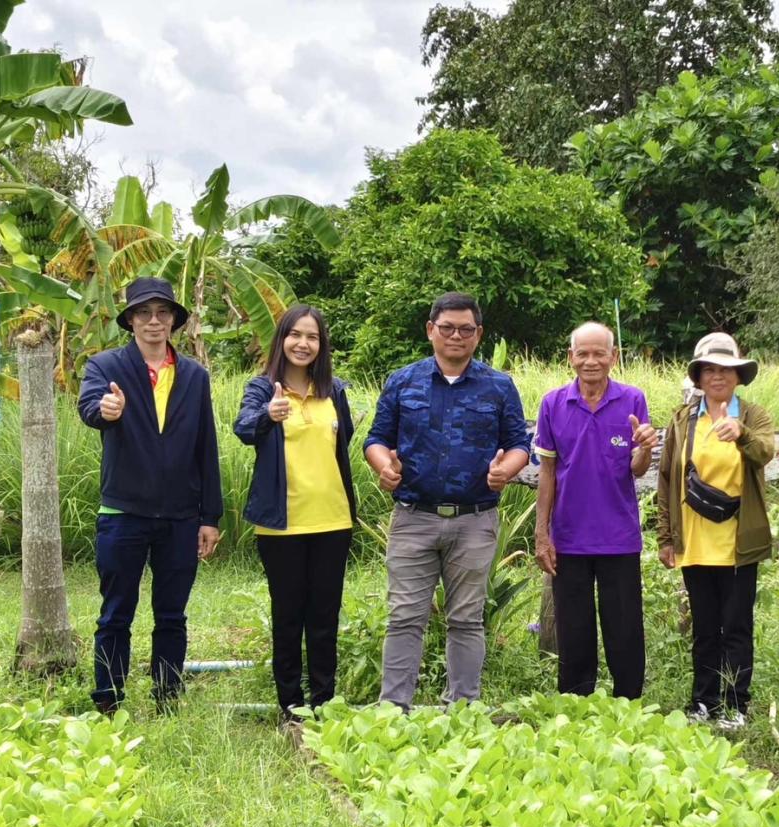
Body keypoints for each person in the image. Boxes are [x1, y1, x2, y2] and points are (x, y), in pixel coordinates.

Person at [364, 292, 530, 709]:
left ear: (479, 335)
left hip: (475, 518)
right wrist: (383, 466)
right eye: (447, 328)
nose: (456, 336)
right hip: (413, 517)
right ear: (430, 330)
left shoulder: (498, 385)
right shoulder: (403, 381)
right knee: (404, 617)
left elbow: (518, 444)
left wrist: (505, 471)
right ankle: (392, 709)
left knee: (467, 619)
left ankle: (463, 707)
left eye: (466, 329)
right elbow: (377, 439)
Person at [77, 277, 222, 713]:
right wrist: (107, 410)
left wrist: (209, 516)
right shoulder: (106, 367)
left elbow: (206, 446)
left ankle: (168, 697)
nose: (153, 321)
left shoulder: (194, 375)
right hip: (123, 511)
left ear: (174, 320)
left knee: (172, 614)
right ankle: (107, 699)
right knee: (116, 612)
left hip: (180, 515)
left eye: (162, 313)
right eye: (144, 313)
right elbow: (90, 407)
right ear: (131, 320)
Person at [233, 304, 356, 724]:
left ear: (321, 346)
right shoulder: (262, 388)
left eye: (313, 337)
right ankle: (291, 704)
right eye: (295, 335)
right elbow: (244, 428)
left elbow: (344, 442)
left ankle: (324, 700)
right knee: (288, 616)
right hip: (280, 522)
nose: (303, 344)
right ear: (281, 339)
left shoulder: (334, 390)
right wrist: (269, 415)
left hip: (333, 519)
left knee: (324, 616)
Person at [656, 332, 773, 731]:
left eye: (725, 369)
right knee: (705, 628)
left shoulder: (753, 415)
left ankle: (736, 703)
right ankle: (702, 701)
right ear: (699, 376)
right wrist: (666, 538)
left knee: (737, 625)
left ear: (738, 376)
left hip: (739, 543)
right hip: (695, 541)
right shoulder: (683, 419)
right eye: (709, 369)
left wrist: (740, 434)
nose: (717, 376)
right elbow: (667, 478)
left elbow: (765, 453)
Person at [533, 322, 657, 699]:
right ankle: (575, 707)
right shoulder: (553, 404)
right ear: (570, 358)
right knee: (574, 632)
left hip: (619, 536)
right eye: (582, 353)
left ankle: (629, 705)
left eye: (599, 353)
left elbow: (635, 468)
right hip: (568, 537)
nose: (591, 361)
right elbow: (548, 473)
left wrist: (646, 448)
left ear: (613, 357)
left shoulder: (632, 399)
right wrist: (542, 533)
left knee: (625, 629)